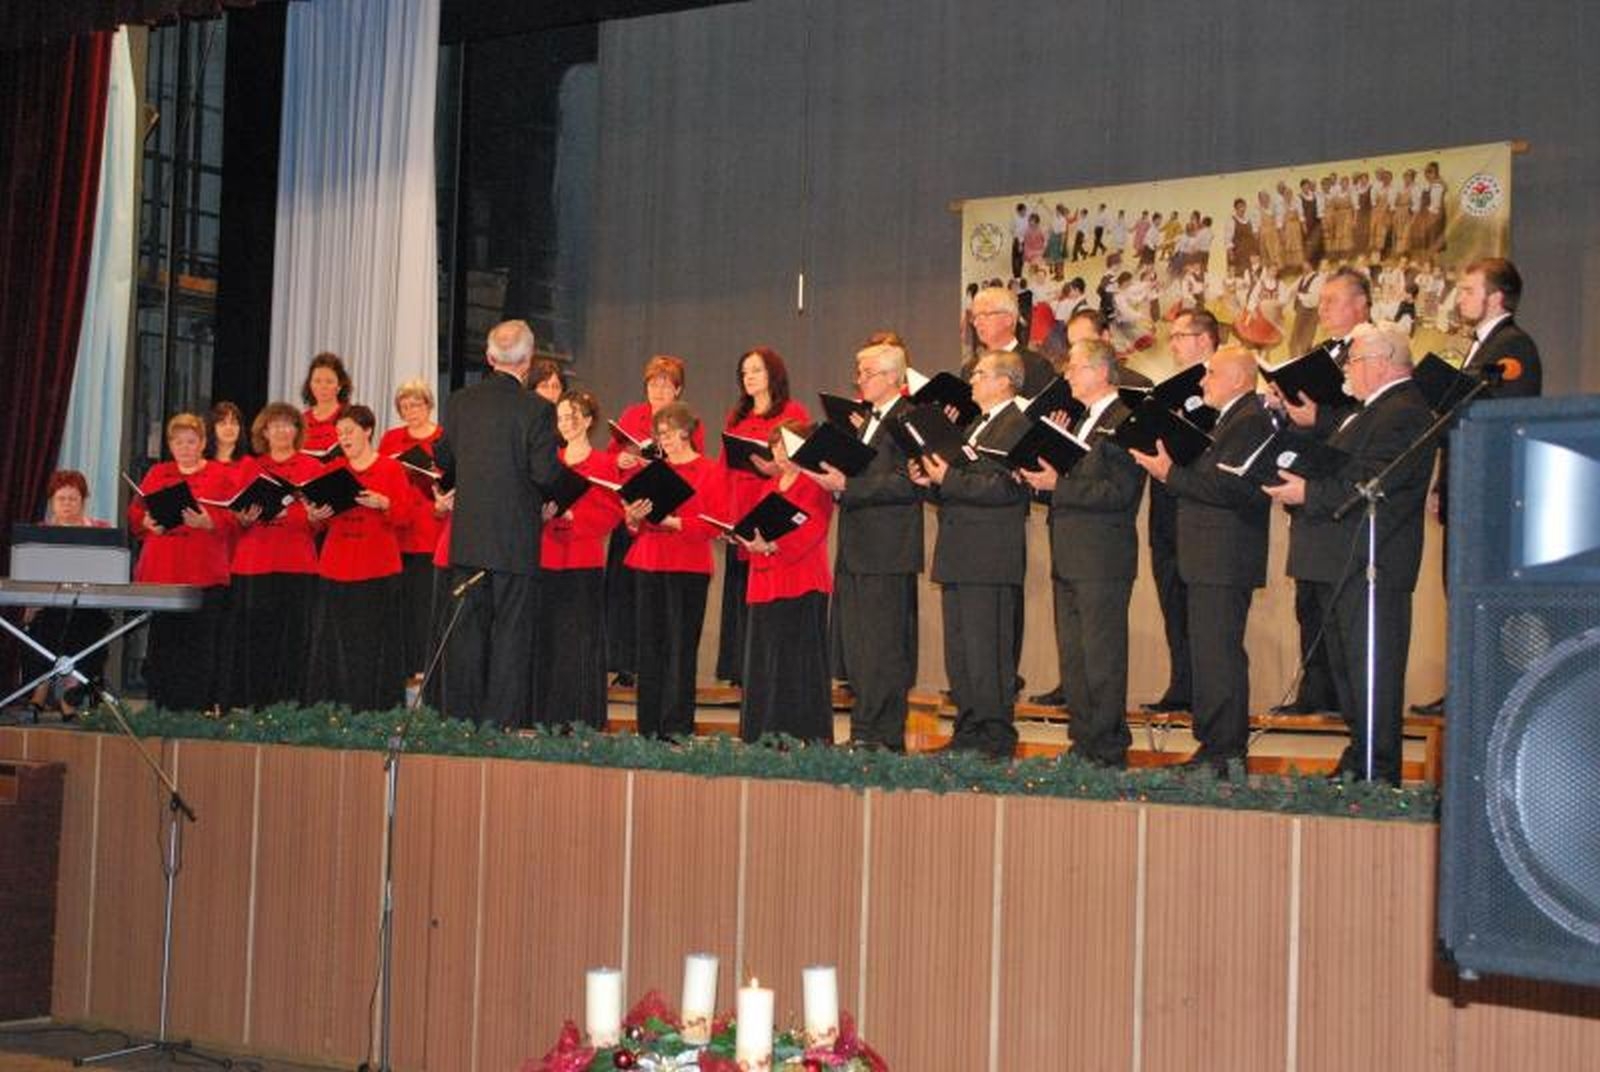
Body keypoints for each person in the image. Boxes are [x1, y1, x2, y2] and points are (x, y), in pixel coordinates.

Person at [1263, 323, 1435, 784]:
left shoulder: (1404, 411)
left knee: (1371, 670)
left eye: (1353, 361)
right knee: (1348, 671)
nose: (1347, 371)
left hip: (1371, 562)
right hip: (1343, 560)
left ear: (1381, 363)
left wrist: (1308, 492)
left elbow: (1371, 480)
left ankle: (1378, 769)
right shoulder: (1369, 410)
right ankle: (1361, 758)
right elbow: (1344, 464)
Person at [1132, 347, 1273, 777]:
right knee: (1209, 656)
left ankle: (1225, 753)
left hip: (1224, 557)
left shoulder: (1250, 420)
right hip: (1209, 557)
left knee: (1220, 656)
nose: (1202, 381)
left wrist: (1169, 473)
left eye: (1211, 373)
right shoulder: (1229, 420)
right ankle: (1214, 748)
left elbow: (1234, 489)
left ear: (1238, 378)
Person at [1412, 257, 1542, 715]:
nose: (1460, 298)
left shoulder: (1513, 347)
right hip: (1466, 485)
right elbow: (1460, 421)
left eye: (1469, 290)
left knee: (1480, 597)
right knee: (1460, 592)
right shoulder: (1481, 345)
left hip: (1491, 494)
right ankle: (1464, 689)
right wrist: (1441, 484)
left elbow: (1499, 419)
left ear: (1496, 298)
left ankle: (1482, 693)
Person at [1019, 339, 1144, 767]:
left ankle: (1108, 747)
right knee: (1074, 657)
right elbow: (1068, 484)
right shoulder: (1078, 421)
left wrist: (1060, 485)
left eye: (1073, 367)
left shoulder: (1124, 421)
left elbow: (1120, 493)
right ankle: (1083, 742)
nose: (1066, 375)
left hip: (1103, 557)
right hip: (1070, 553)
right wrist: (1039, 481)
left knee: (1101, 656)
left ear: (1100, 372)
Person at [435, 319, 563, 727]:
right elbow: (545, 474)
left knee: (466, 637)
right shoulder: (538, 409)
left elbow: (444, 459)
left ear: (490, 357)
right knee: (510, 637)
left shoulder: (460, 402)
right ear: (527, 361)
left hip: (469, 539)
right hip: (514, 542)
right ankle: (501, 725)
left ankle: (461, 723)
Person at [910, 350, 1031, 759]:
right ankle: (968, 731)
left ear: (1004, 381)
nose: (972, 382)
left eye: (979, 374)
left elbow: (1008, 489)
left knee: (987, 652)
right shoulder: (976, 424)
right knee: (961, 653)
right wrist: (932, 481)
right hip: (960, 552)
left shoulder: (1018, 424)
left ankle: (995, 737)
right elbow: (959, 485)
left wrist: (949, 478)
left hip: (989, 557)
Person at [808, 338, 923, 751]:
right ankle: (863, 731)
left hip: (887, 550)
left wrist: (848, 485)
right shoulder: (868, 419)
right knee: (858, 647)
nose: (859, 380)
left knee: (883, 647)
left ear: (893, 377)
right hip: (858, 545)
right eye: (858, 372)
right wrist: (836, 480)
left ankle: (883, 737)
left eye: (867, 373)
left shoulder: (907, 418)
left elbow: (908, 481)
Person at [1271, 265, 1372, 715]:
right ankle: (1316, 693)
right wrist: (1284, 406)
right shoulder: (1322, 353)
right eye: (1322, 300)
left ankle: (1343, 700)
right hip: (1307, 486)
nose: (1323, 308)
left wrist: (1320, 418)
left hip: (1341, 491)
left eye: (1333, 300)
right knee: (1309, 600)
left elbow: (1366, 422)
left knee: (1337, 605)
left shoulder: (1370, 354)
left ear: (1361, 305)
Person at [623, 401, 725, 738]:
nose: (663, 440)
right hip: (649, 560)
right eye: (659, 434)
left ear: (686, 432)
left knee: (680, 648)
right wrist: (633, 518)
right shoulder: (653, 472)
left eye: (668, 433)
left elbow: (714, 524)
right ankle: (648, 727)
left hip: (688, 563)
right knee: (648, 647)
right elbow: (633, 523)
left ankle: (676, 727)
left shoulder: (709, 470)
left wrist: (674, 522)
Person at [604, 355, 703, 688]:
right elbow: (611, 458)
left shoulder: (687, 422)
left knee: (661, 603)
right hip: (632, 511)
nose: (658, 390)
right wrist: (621, 459)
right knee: (624, 592)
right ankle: (625, 664)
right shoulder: (633, 415)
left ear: (678, 389)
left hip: (666, 517)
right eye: (652, 383)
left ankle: (658, 671)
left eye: (665, 384)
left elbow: (694, 468)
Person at [737, 420, 836, 744]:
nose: (779, 451)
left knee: (797, 663)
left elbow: (814, 527)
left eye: (786, 444)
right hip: (765, 582)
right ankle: (763, 734)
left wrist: (774, 545)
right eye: (775, 445)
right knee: (764, 663)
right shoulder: (769, 486)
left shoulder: (814, 483)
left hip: (801, 581)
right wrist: (748, 539)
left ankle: (800, 735)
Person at [129, 413, 236, 711]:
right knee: (164, 642)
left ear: (202, 443)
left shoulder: (220, 474)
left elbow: (236, 519)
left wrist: (209, 522)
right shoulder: (158, 473)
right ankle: (161, 705)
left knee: (200, 644)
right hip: (163, 570)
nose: (185, 448)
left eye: (191, 441)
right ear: (170, 445)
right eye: (178, 442)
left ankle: (199, 707)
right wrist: (146, 522)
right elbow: (136, 513)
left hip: (203, 570)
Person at [1141, 309, 1219, 715]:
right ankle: (1181, 684)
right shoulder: (1167, 390)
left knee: (1202, 610)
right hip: (1165, 508)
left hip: (1202, 510)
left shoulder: (1222, 386)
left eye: (1179, 336)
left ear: (1204, 339)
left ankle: (1203, 690)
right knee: (1172, 600)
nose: (1171, 344)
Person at [716, 347, 809, 686]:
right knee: (739, 591)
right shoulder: (737, 417)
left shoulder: (793, 413)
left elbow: (803, 465)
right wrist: (722, 515)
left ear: (773, 373)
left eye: (756, 370)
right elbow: (724, 468)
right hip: (739, 507)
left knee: (769, 591)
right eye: (744, 372)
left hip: (771, 507)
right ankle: (741, 671)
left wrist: (774, 468)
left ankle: (767, 672)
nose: (749, 377)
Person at [533, 389, 624, 729]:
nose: (566, 423)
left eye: (572, 417)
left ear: (587, 420)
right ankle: (545, 716)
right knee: (547, 639)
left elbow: (612, 513)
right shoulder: (549, 460)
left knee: (580, 641)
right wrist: (543, 515)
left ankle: (581, 718)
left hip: (583, 560)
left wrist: (575, 517)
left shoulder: (603, 464)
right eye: (560, 418)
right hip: (547, 557)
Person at [225, 403, 324, 709]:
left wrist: (311, 516)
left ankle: (291, 707)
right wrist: (243, 518)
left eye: (288, 424)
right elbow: (233, 515)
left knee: (295, 640)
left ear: (297, 430)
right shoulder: (249, 467)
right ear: (264, 432)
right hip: (255, 562)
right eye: (275, 425)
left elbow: (322, 520)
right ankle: (256, 705)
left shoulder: (312, 468)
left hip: (297, 562)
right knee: (256, 639)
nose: (282, 431)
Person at [21, 471, 113, 719]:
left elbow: (109, 571)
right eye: (61, 499)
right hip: (49, 604)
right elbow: (28, 573)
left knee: (83, 625)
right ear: (52, 501)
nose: (67, 504)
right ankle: (40, 690)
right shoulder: (40, 532)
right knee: (43, 625)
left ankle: (68, 694)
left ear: (83, 501)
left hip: (88, 605)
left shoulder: (101, 530)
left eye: (73, 499)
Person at [378, 379, 449, 682]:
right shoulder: (391, 439)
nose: (410, 411)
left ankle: (424, 666)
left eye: (416, 405)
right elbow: (380, 476)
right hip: (397, 531)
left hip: (431, 528)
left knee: (426, 604)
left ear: (428, 405)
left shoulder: (443, 437)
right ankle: (401, 664)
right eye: (404, 407)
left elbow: (454, 479)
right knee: (400, 603)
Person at [960, 285, 1054, 397]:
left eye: (985, 315)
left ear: (1008, 319)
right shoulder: (969, 369)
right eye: (975, 317)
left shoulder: (1036, 366)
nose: (977, 323)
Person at [300, 351, 352, 455]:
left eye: (329, 381)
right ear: (310, 384)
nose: (323, 386)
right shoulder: (301, 420)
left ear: (339, 385)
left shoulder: (350, 416)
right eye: (317, 381)